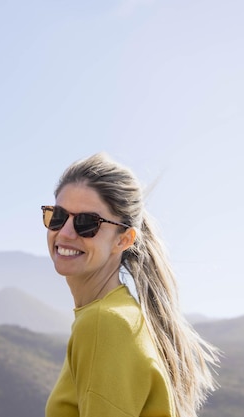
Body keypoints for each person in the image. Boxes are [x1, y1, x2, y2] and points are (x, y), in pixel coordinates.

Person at [42, 153, 219, 417]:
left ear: (123, 240)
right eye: (58, 216)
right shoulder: (120, 315)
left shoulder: (105, 322)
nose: (65, 232)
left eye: (87, 223)